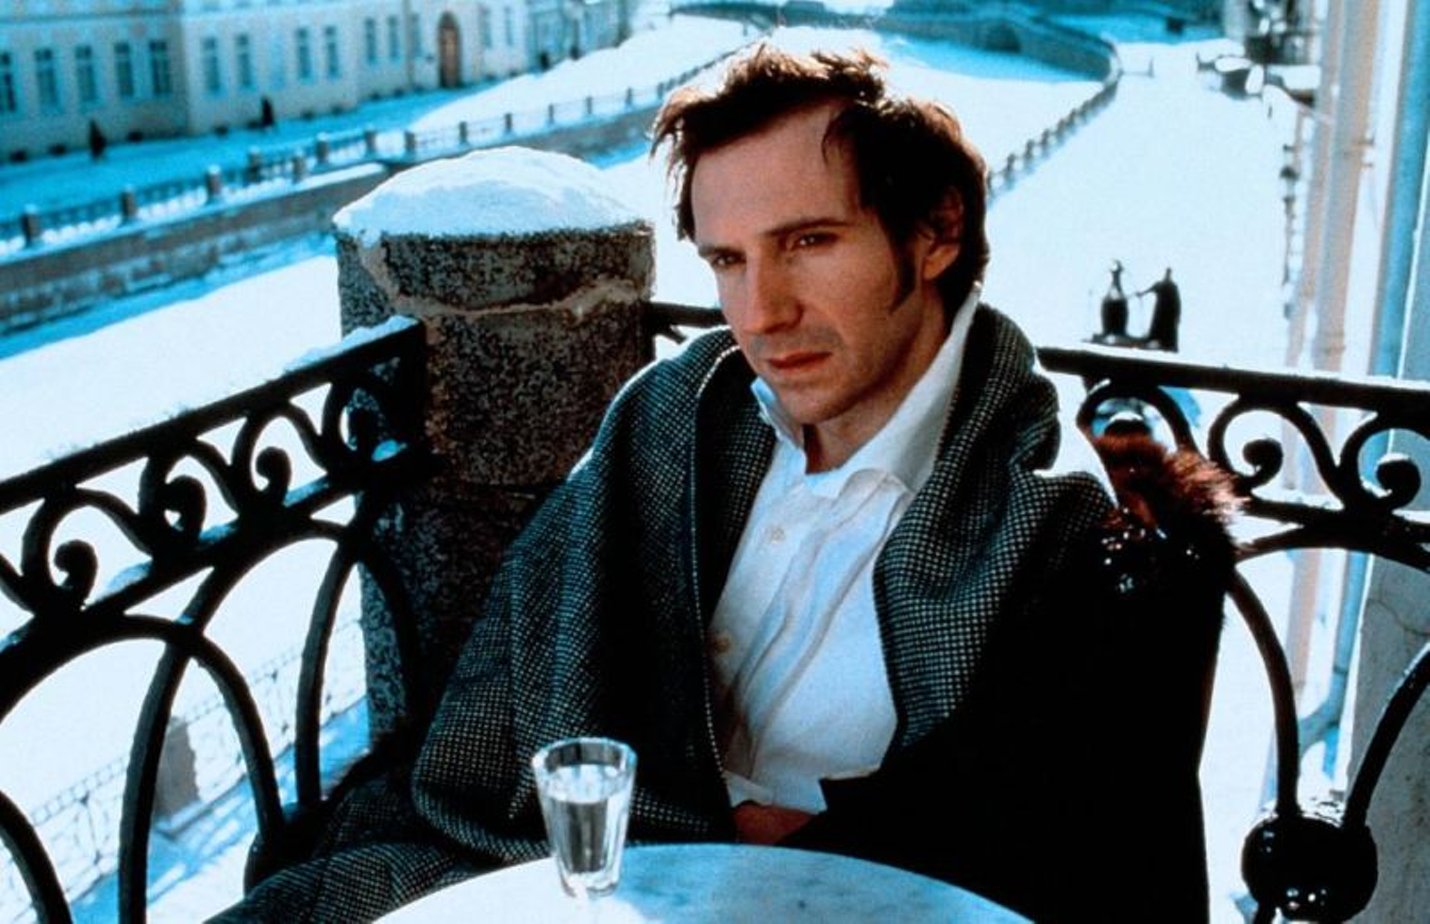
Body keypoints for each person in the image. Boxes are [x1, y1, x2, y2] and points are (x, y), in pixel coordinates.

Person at [216, 45, 1236, 923]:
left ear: (936, 232)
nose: (761, 312)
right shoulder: (673, 416)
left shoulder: (1065, 533)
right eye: (727, 261)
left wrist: (804, 852)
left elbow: (1066, 860)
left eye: (808, 243)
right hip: (575, 887)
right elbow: (505, 699)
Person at [1142, 266, 1183, 351]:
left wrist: (1178, 316)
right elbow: (1150, 289)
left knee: (1168, 329)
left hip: (1169, 312)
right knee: (1158, 326)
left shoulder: (1173, 286)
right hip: (1160, 311)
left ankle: (1167, 344)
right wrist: (1141, 294)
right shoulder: (1161, 284)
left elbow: (1177, 302)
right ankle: (1157, 342)